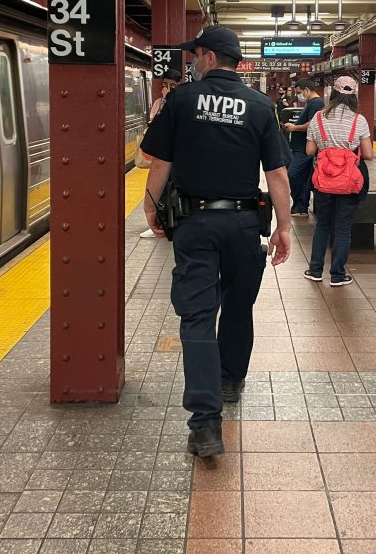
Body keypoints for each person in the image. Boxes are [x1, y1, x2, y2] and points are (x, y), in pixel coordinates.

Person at [140, 25, 292, 458]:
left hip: (196, 223)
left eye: (194, 56)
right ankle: (230, 380)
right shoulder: (262, 105)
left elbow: (160, 163)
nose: (190, 62)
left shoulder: (181, 101)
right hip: (245, 224)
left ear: (208, 57)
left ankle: (206, 426)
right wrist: (283, 226)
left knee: (198, 317)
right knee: (239, 304)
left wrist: (151, 208)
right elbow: (277, 173)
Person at [303, 76, 373, 286]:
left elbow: (309, 151)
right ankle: (337, 275)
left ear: (332, 93)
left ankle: (315, 270)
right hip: (349, 182)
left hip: (324, 180)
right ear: (354, 97)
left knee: (322, 224)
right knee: (343, 228)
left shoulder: (318, 118)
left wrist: (327, 146)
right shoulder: (358, 120)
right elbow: (368, 154)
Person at [138, 68, 183, 239]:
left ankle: (170, 220)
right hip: (164, 155)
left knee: (172, 188)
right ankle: (162, 222)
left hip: (176, 158)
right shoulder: (159, 103)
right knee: (162, 189)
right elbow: (155, 126)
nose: (167, 88)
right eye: (165, 85)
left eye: (172, 85)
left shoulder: (182, 103)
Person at [282, 79, 324, 217]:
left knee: (293, 174)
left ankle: (300, 204)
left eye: (299, 92)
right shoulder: (311, 103)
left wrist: (295, 127)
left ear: (306, 89)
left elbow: (313, 124)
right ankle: (301, 207)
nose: (298, 95)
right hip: (300, 147)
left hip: (305, 148)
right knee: (303, 177)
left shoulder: (316, 103)